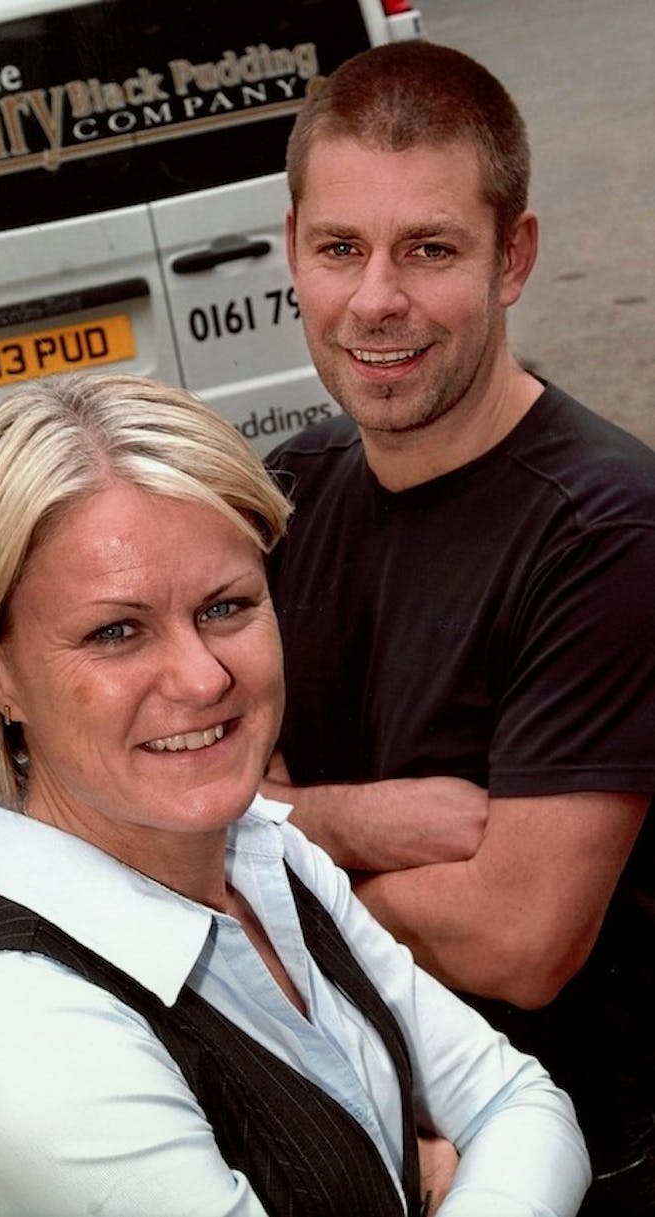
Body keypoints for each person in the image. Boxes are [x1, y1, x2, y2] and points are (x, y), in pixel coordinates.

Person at [0, 370, 589, 1217]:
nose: (202, 677)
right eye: (115, 630)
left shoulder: (265, 853)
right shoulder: (23, 1035)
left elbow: (523, 1102)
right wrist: (426, 1175)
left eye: (226, 606)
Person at [262, 39, 655, 1217]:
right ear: (294, 252)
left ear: (512, 257)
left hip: (579, 1157)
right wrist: (361, 819)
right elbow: (192, 802)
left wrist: (271, 872)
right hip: (377, 1142)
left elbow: (519, 938)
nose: (375, 299)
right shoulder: (289, 487)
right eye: (340, 248)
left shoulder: (608, 530)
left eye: (429, 249)